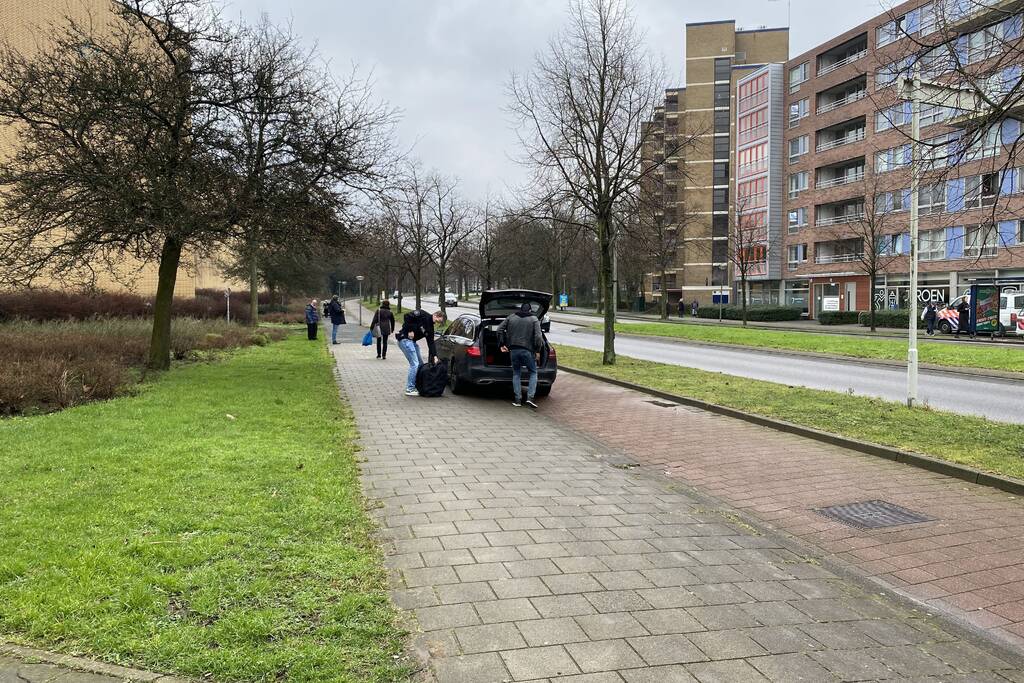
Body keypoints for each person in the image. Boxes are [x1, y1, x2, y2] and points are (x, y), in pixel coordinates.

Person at [498, 302, 544, 410]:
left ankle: (517, 400)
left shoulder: (511, 317)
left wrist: (502, 344)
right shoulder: (534, 319)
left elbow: (499, 329)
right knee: (533, 372)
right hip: (527, 350)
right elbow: (538, 336)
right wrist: (538, 350)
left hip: (513, 350)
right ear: (530, 310)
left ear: (520, 309)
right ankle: (530, 397)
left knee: (516, 373)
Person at [396, 308, 445, 396]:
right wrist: (410, 330)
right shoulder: (422, 314)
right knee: (414, 364)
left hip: (412, 342)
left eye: (439, 322)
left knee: (420, 364)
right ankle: (409, 389)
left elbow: (431, 343)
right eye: (438, 320)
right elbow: (407, 316)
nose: (437, 322)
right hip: (405, 339)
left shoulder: (430, 328)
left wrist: (435, 356)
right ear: (435, 315)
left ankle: (418, 385)